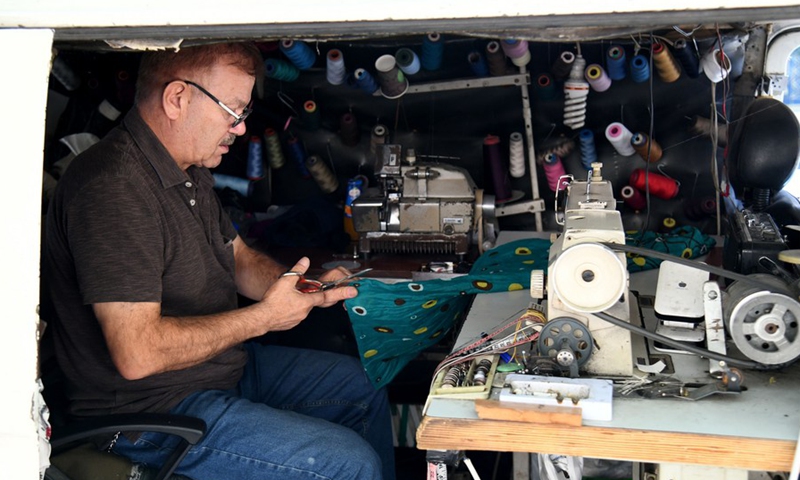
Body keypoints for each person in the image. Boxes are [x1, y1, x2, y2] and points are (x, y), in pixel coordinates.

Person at [42, 42, 395, 480]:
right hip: (150, 409)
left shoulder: (187, 170)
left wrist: (302, 287)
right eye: (233, 111)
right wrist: (265, 318)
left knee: (362, 386)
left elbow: (239, 259)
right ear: (177, 99)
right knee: (349, 463)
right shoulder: (114, 189)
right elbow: (138, 354)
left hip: (215, 371)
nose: (241, 129)